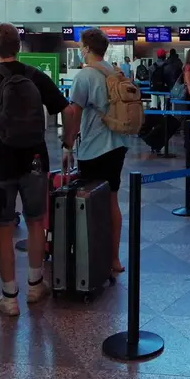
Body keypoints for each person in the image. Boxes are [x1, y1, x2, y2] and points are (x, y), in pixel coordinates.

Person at [0, 23, 70, 318]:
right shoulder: (35, 76)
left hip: (0, 163)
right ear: (19, 45)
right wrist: (67, 146)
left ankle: (9, 296)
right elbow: (69, 110)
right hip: (36, 160)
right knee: (36, 221)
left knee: (3, 227)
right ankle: (35, 284)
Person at [63, 28, 130, 275]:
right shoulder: (115, 71)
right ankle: (113, 258)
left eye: (82, 45)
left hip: (93, 147)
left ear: (88, 48)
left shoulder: (86, 75)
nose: (81, 49)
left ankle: (90, 257)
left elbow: (74, 112)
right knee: (112, 200)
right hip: (118, 144)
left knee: (89, 202)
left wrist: (68, 145)